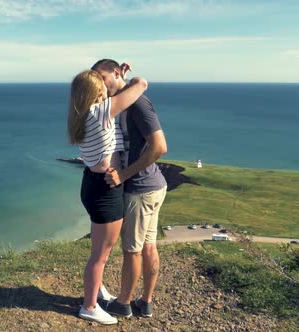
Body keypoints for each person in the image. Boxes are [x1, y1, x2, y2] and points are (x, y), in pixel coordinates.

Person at [67, 69, 148, 324]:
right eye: (101, 84)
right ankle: (89, 306)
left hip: (92, 183)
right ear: (94, 91)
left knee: (99, 251)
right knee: (101, 255)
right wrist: (130, 80)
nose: (106, 87)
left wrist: (118, 77)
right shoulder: (101, 112)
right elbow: (141, 85)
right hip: (105, 189)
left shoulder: (82, 115)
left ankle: (96, 289)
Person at [92, 59, 168, 319]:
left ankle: (123, 304)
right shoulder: (125, 98)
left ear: (114, 73)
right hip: (150, 186)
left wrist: (124, 174)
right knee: (148, 247)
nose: (100, 85)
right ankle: (145, 302)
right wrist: (122, 80)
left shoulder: (139, 104)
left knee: (132, 250)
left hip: (141, 188)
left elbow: (160, 147)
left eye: (102, 78)